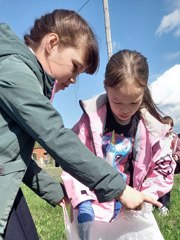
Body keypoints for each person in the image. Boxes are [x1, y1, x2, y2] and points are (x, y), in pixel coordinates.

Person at [0, 10, 162, 240]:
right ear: (52, 43)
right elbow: (56, 136)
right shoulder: (15, 72)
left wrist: (54, 190)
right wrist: (121, 189)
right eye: (75, 66)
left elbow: (12, 158)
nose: (75, 79)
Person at [61, 50, 176, 239]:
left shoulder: (152, 129)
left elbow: (163, 167)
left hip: (131, 206)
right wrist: (83, 200)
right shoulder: (90, 121)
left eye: (133, 102)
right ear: (106, 87)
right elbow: (74, 159)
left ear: (144, 91)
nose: (124, 110)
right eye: (117, 101)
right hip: (95, 206)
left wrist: (145, 195)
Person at [158, 116, 179, 215]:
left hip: (169, 165)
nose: (167, 129)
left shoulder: (174, 138)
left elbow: (179, 149)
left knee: (166, 185)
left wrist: (176, 155)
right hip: (158, 164)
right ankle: (156, 204)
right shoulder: (158, 137)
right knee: (157, 183)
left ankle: (164, 205)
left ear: (171, 127)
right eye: (164, 126)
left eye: (169, 126)